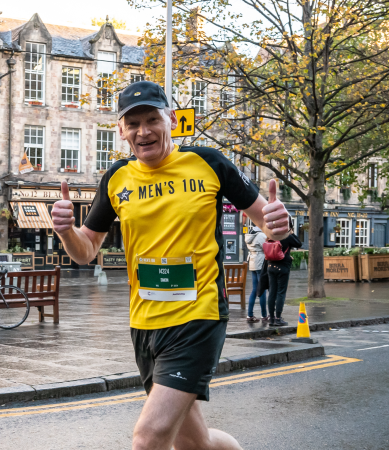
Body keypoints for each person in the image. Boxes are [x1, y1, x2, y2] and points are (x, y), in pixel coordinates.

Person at [51, 81, 290, 450]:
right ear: (121, 131)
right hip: (145, 322)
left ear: (172, 120)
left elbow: (265, 219)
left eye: (152, 119)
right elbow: (85, 251)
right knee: (197, 445)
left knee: (149, 438)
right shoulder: (117, 178)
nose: (143, 131)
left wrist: (277, 221)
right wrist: (66, 231)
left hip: (198, 317)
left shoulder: (207, 163)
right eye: (132, 124)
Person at [267, 224, 302, 326]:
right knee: (281, 292)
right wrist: (291, 232)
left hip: (270, 266)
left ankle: (271, 318)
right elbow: (299, 243)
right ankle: (278, 318)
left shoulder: (271, 234)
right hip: (282, 267)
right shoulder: (286, 235)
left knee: (272, 292)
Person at [244, 226, 268, 322]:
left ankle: (250, 314)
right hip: (260, 262)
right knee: (262, 289)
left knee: (254, 289)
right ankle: (264, 315)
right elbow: (266, 248)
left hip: (252, 262)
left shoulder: (250, 235)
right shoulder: (261, 235)